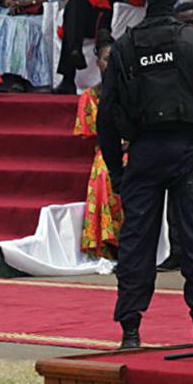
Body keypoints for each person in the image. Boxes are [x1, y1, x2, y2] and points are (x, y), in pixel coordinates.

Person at [98, 0, 193, 349]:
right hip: (186, 151)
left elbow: (106, 115)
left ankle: (130, 329)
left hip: (142, 154)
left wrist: (115, 170)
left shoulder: (125, 46)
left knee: (137, 241)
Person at [76, 32, 124, 260]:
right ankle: (110, 240)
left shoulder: (134, 89)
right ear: (98, 63)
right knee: (105, 172)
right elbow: (94, 133)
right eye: (106, 59)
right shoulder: (91, 95)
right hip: (108, 149)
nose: (110, 63)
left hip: (137, 147)